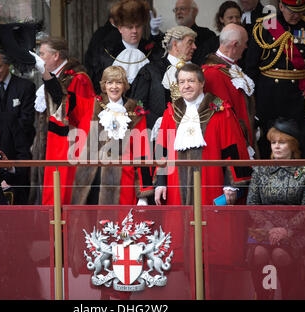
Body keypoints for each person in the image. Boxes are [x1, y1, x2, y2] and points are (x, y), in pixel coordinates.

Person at [38, 65, 154, 206]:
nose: (114, 87)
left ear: (124, 85)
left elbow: (141, 153)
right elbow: (61, 98)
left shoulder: (136, 114)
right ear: (104, 85)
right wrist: (45, 73)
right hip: (88, 181)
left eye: (118, 82)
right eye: (109, 82)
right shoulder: (89, 105)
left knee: (118, 226)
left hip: (122, 185)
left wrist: (143, 194)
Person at [154, 63, 251, 207]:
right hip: (175, 188)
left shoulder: (221, 111)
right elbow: (162, 151)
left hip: (211, 184)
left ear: (202, 83)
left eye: (191, 81)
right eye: (182, 82)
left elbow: (233, 149)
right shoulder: (170, 113)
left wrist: (230, 184)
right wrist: (161, 183)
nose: (186, 86)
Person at [246, 117, 305, 299]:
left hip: (296, 231)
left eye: (282, 142)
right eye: (273, 142)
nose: (276, 146)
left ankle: (289, 295)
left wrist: (286, 230)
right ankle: (263, 295)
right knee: (259, 253)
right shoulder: (260, 171)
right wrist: (270, 229)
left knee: (279, 254)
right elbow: (252, 205)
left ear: (292, 145)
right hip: (264, 229)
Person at [245, 0, 305, 159]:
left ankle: (301, 180)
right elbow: (251, 67)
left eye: (300, 11)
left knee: (301, 142)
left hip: (299, 97)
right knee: (268, 143)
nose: (296, 15)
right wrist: (251, 101)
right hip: (269, 97)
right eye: (292, 11)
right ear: (281, 6)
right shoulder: (265, 26)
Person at [29, 36, 95, 204]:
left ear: (56, 55)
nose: (40, 58)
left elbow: (76, 116)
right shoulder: (55, 77)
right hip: (47, 150)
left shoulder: (78, 79)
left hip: (65, 150)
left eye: (42, 54)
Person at [202, 23, 257, 157]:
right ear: (234, 44)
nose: (246, 47)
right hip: (233, 146)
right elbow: (224, 117)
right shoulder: (213, 73)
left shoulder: (231, 67)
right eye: (244, 43)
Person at [84, 0, 162, 94]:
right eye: (130, 27)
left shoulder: (149, 49)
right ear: (120, 28)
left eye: (138, 26)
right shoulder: (107, 52)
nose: (134, 31)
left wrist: (155, 33)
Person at [130, 25, 197, 129]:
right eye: (190, 42)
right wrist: (159, 122)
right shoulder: (150, 71)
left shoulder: (195, 71)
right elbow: (138, 104)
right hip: (160, 136)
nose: (194, 47)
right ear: (175, 45)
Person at [0, 48, 36, 146]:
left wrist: (5, 134)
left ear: (8, 65)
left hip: (21, 144)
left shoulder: (25, 86)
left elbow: (27, 120)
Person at [196, 1, 242, 66]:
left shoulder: (247, 41)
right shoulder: (211, 44)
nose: (235, 21)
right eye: (230, 18)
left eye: (237, 17)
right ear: (221, 19)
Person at [173, 0, 216, 66]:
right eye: (176, 9)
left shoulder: (207, 35)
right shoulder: (171, 35)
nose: (178, 12)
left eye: (182, 9)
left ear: (194, 12)